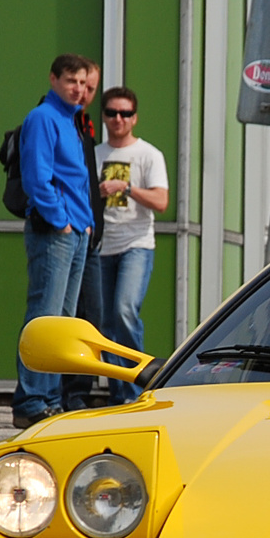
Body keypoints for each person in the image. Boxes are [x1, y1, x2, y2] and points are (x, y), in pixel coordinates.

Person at [12, 53, 95, 429]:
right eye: (70, 81)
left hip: (78, 230)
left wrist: (86, 224)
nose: (78, 89)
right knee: (44, 317)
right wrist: (60, 220)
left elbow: (77, 179)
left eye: (82, 82)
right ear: (53, 79)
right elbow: (37, 178)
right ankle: (30, 400)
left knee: (62, 322)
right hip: (55, 232)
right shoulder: (43, 118)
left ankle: (49, 398)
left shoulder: (72, 119)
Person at [94, 85, 169, 405]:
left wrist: (126, 187)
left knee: (125, 311)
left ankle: (138, 388)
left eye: (125, 113)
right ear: (104, 117)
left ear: (134, 118)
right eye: (112, 113)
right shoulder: (95, 153)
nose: (118, 119)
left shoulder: (148, 155)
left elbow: (161, 201)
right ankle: (118, 393)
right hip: (100, 246)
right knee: (105, 324)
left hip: (136, 244)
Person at [63, 63, 106, 412]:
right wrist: (64, 221)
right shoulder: (58, 121)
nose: (83, 92)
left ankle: (79, 391)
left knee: (92, 316)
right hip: (69, 229)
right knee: (63, 315)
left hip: (88, 233)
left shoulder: (83, 125)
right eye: (77, 84)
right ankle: (63, 394)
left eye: (89, 87)